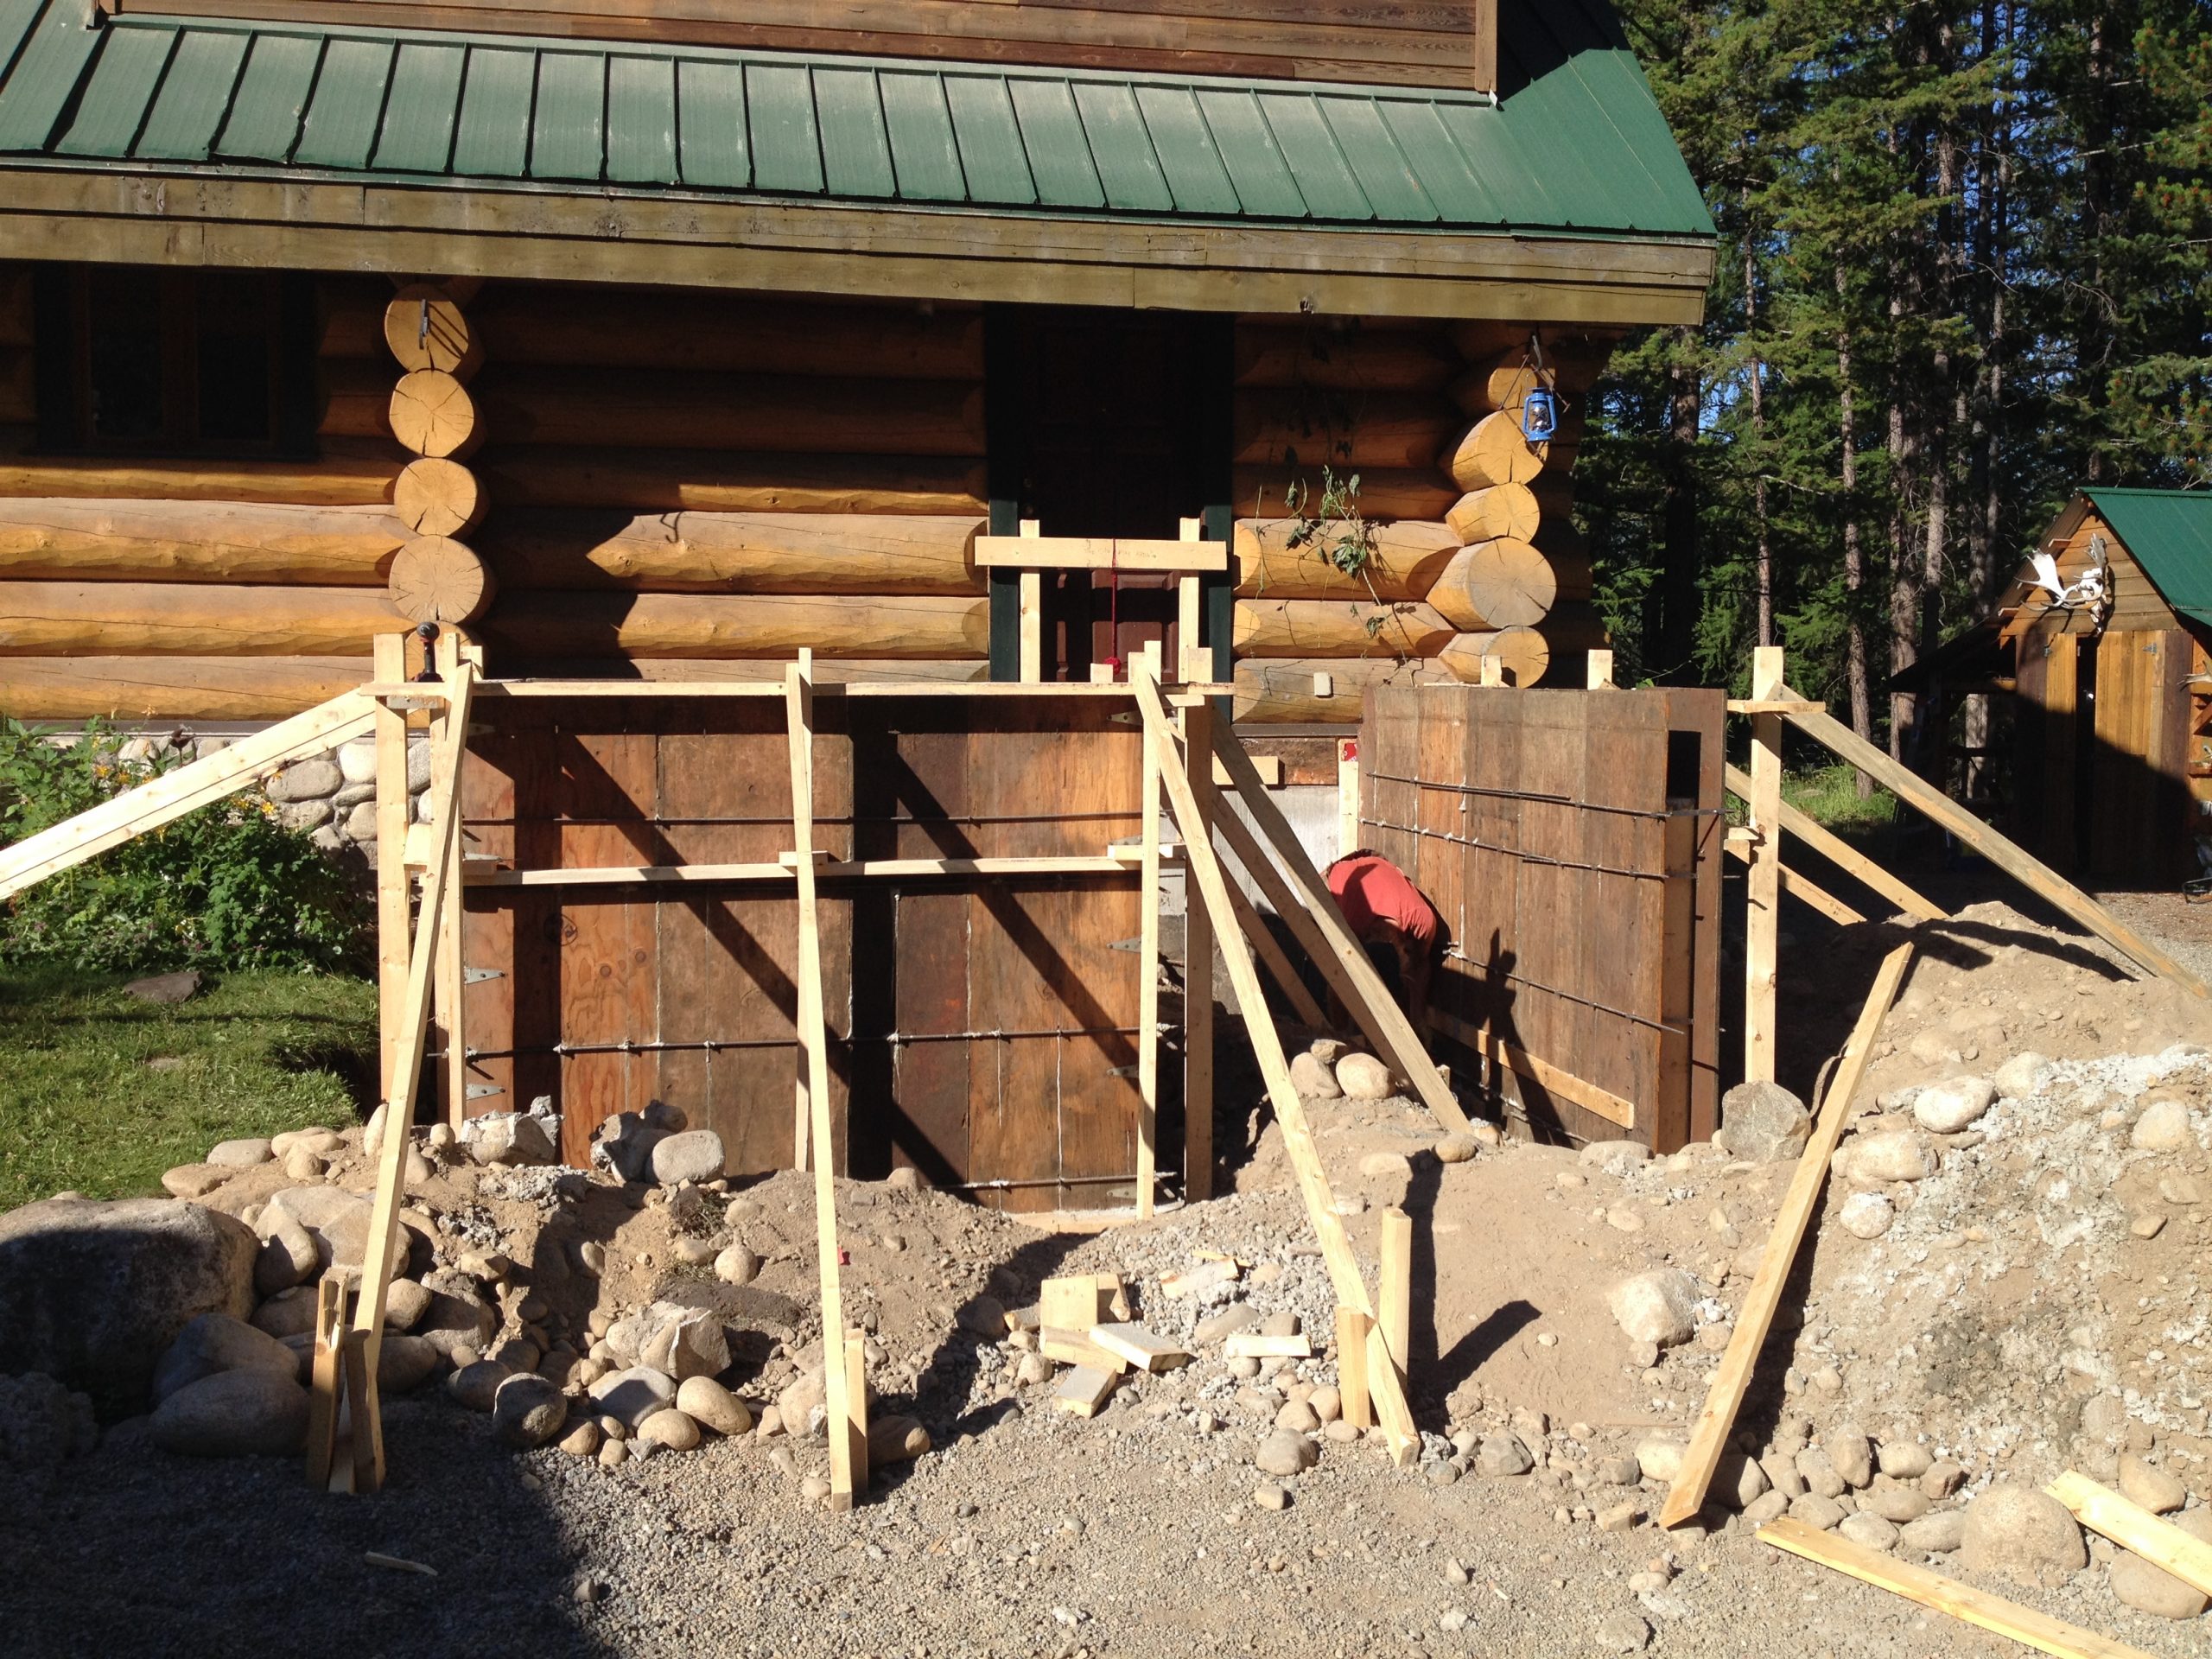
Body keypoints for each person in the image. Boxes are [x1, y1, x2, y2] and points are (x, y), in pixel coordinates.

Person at [1323, 849, 1441, 1027]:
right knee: (1339, 973)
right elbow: (1337, 977)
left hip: (1374, 869)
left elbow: (1420, 966)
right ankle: (1340, 1033)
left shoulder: (1423, 920)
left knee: (1407, 975)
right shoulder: (1351, 921)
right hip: (1335, 879)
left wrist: (1418, 1021)